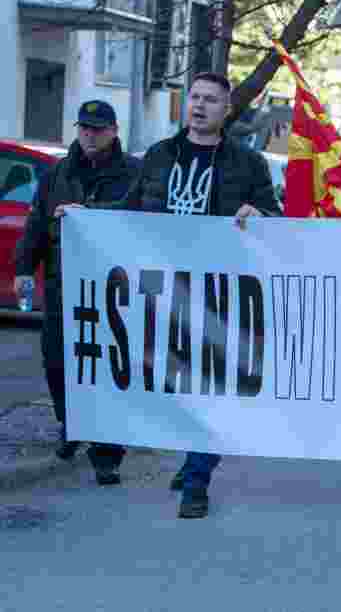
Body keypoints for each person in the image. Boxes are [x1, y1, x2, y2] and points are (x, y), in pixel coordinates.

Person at [58, 73, 282, 519]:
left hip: (220, 290)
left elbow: (274, 216)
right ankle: (197, 454)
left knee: (214, 386)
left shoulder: (247, 164)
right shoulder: (160, 156)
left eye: (211, 100)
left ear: (225, 109)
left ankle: (197, 481)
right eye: (195, 97)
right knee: (176, 385)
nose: (199, 106)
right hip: (165, 290)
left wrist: (258, 213)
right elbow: (133, 212)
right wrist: (90, 217)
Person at [14, 100, 140, 482]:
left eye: (98, 128)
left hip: (111, 286)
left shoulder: (133, 172)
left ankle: (107, 454)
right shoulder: (58, 172)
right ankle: (72, 423)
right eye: (84, 127)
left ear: (114, 131)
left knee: (106, 367)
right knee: (57, 361)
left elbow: (140, 219)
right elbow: (36, 222)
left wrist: (88, 212)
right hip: (62, 280)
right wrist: (23, 268)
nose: (89, 133)